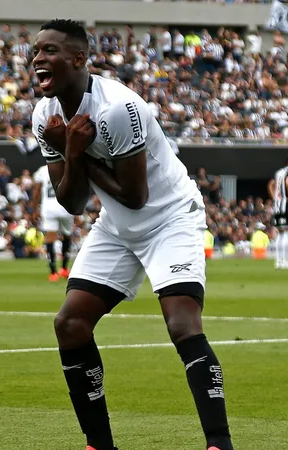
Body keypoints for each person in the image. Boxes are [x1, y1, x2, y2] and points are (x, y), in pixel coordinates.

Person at [31, 19, 233, 450]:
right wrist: (70, 149)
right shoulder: (44, 116)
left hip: (170, 217)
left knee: (182, 324)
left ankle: (219, 443)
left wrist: (75, 150)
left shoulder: (119, 108)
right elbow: (71, 202)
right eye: (35, 52)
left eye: (49, 51)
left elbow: (137, 195)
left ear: (79, 59)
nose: (37, 60)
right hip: (118, 225)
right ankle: (99, 444)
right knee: (70, 323)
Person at [33, 164, 75, 281]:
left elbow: (36, 191)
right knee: (67, 236)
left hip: (48, 208)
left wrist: (34, 209)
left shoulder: (42, 170)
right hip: (66, 207)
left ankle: (53, 272)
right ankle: (64, 268)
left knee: (50, 239)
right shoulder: (68, 167)